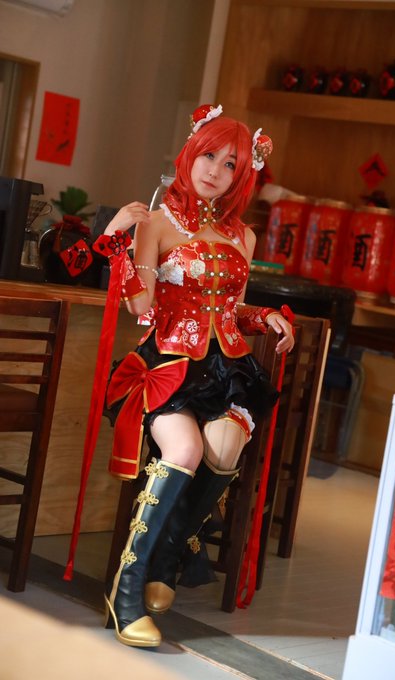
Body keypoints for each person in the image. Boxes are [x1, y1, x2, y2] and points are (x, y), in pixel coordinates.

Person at [94, 104, 294, 649]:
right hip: (166, 364)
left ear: (241, 176)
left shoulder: (244, 237)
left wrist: (265, 317)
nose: (215, 170)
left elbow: (233, 308)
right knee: (183, 450)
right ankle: (127, 591)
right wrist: (115, 238)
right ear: (190, 153)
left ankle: (166, 558)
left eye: (230, 164)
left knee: (226, 447)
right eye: (209, 155)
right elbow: (140, 305)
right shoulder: (156, 223)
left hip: (225, 368)